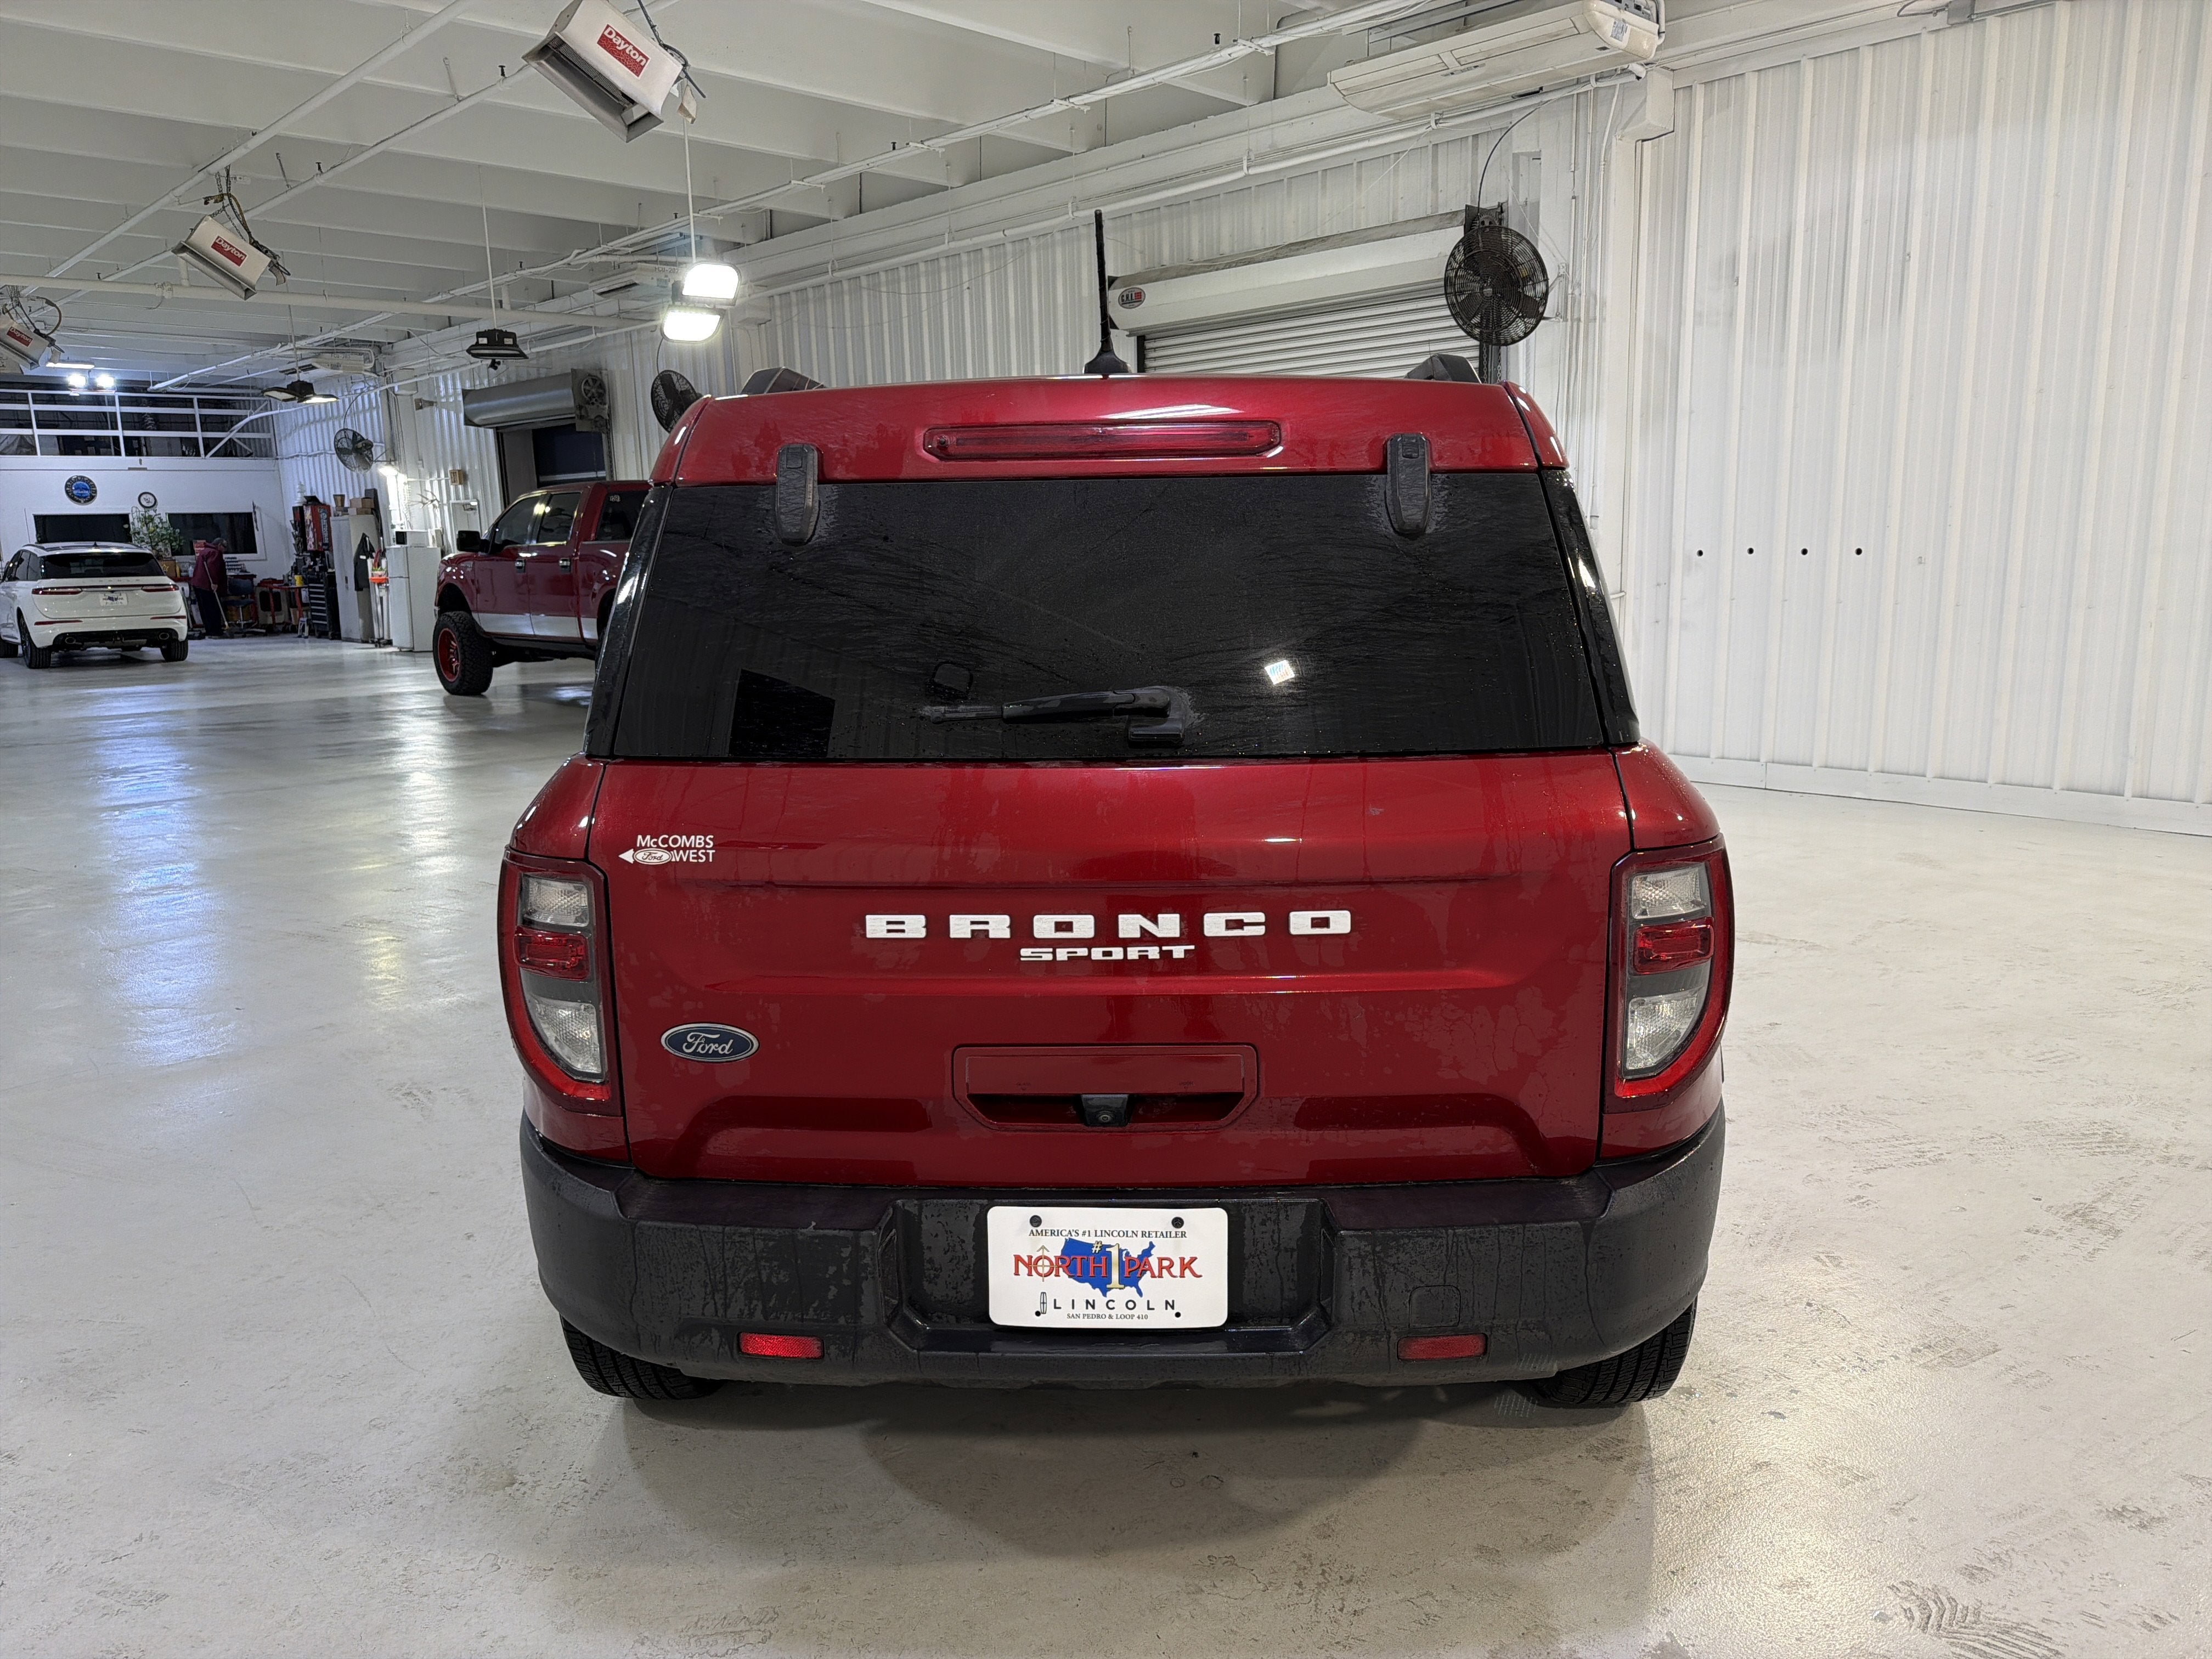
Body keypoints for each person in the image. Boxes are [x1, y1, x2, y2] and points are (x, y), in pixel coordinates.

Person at [189, 539, 229, 638]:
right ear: (220, 545)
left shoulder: (204, 551)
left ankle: (209, 630)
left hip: (198, 584)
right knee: (213, 609)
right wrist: (215, 583)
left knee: (205, 609)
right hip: (208, 585)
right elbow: (213, 568)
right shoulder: (215, 553)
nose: (225, 550)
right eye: (225, 548)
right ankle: (216, 631)